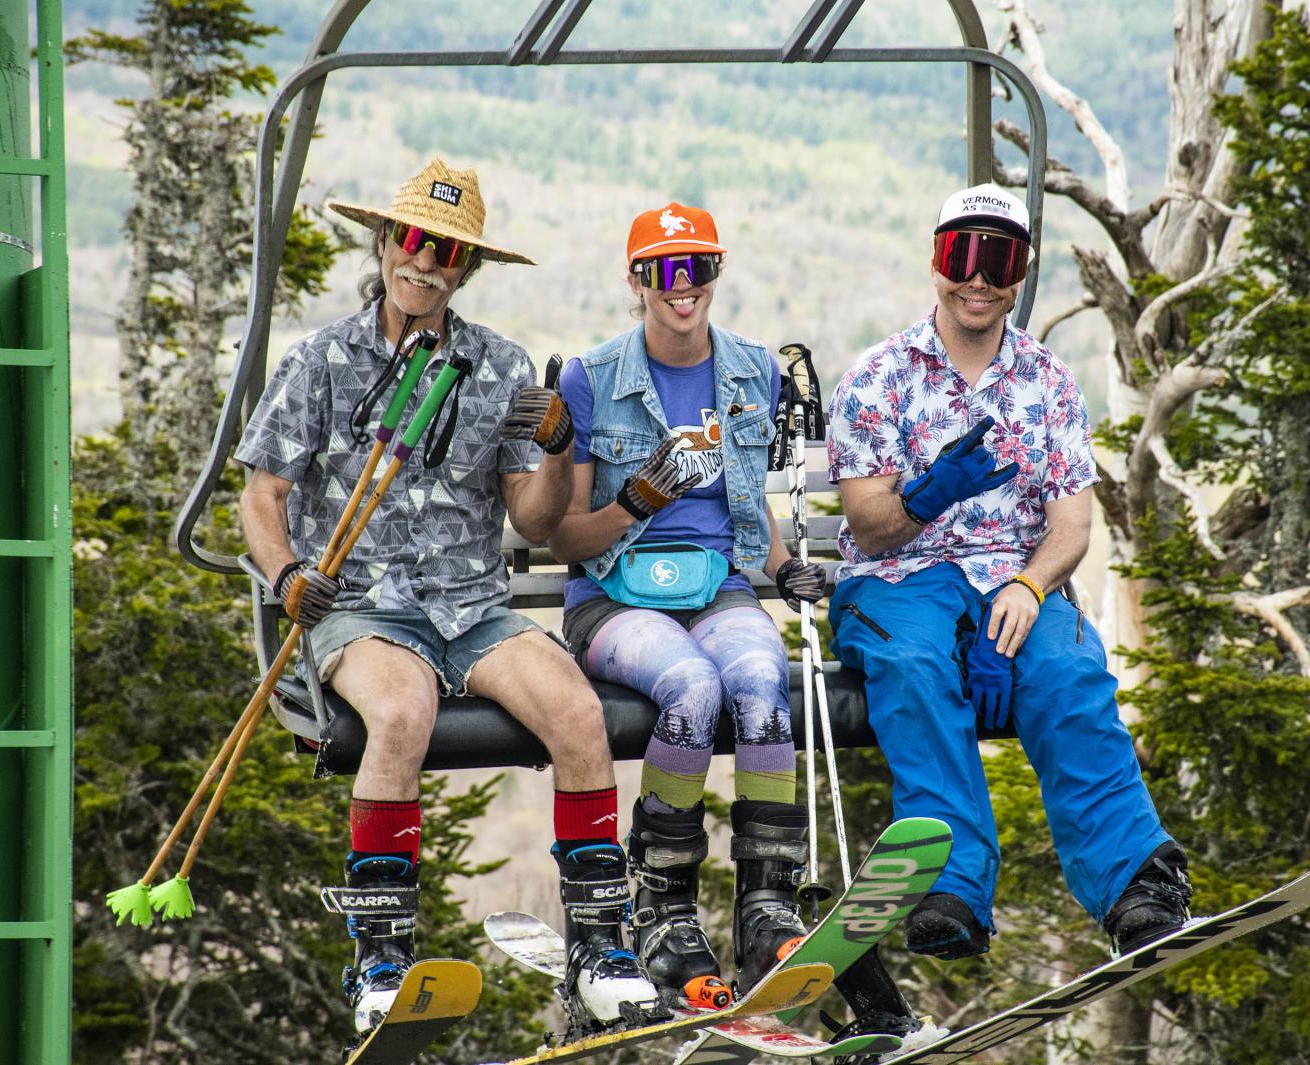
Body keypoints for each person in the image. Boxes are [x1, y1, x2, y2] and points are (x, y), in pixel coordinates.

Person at [235, 159, 656, 1037]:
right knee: (399, 713)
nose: (424, 265)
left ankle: (597, 948)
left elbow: (536, 522)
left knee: (578, 711)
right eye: (413, 242)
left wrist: (554, 447)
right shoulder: (323, 359)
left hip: (472, 607)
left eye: (447, 253)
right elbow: (262, 494)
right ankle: (380, 958)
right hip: (358, 604)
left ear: (465, 269)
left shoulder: (499, 365)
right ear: (385, 243)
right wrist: (286, 577)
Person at [826, 184, 1193, 972]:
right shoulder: (880, 376)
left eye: (1001, 259)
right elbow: (866, 525)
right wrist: (927, 495)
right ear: (937, 261)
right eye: (964, 255)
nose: (980, 278)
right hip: (901, 576)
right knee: (914, 666)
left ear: (1020, 272)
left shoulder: (1049, 385)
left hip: (1011, 573)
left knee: (1065, 672)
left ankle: (1136, 882)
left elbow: (1070, 527)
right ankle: (949, 883)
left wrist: (1028, 589)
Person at [546, 203, 828, 1000]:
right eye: (664, 271)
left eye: (697, 268)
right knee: (694, 688)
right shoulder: (593, 377)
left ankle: (766, 903)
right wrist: (640, 497)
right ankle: (663, 904)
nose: (683, 287)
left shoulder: (752, 370)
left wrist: (782, 565)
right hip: (613, 589)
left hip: (717, 584)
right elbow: (566, 537)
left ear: (717, 273)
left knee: (762, 682)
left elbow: (748, 500)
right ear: (636, 281)